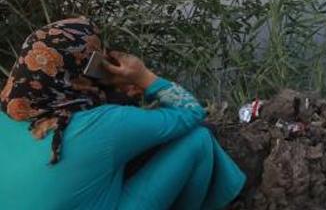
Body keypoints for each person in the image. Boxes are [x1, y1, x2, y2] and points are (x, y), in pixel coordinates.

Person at [1, 18, 245, 209]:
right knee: (199, 140)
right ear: (78, 74)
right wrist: (143, 76)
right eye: (96, 60)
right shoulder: (102, 124)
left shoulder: (8, 114)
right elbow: (191, 113)